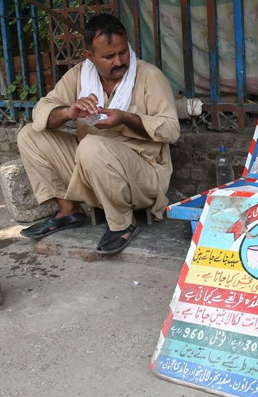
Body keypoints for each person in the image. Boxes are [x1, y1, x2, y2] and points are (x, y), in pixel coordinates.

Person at [17, 14, 179, 254]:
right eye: (109, 56)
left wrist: (125, 119)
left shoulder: (149, 76)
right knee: (30, 135)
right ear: (90, 57)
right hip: (91, 167)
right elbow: (42, 110)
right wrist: (68, 112)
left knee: (91, 146)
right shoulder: (79, 75)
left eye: (123, 53)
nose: (119, 61)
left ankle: (123, 222)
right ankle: (69, 210)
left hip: (141, 175)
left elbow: (172, 130)